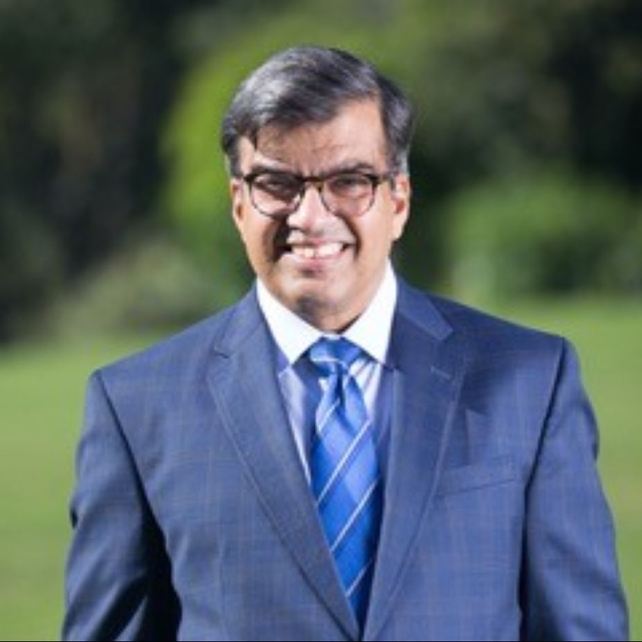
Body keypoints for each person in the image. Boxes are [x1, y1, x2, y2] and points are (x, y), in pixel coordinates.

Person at [62, 45, 628, 641]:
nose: (310, 216)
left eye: (349, 181)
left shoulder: (530, 381)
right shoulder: (136, 408)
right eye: (276, 183)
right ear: (239, 205)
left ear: (398, 201)